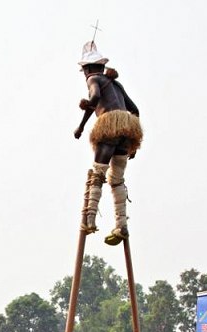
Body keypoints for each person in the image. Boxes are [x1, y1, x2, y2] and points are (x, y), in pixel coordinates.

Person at [74, 40, 142, 246]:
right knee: (117, 179)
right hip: (128, 127)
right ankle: (121, 225)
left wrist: (81, 125)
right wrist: (133, 140)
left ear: (88, 68)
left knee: (98, 173)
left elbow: (94, 97)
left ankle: (90, 219)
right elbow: (135, 109)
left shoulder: (93, 79)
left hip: (110, 124)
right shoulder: (115, 84)